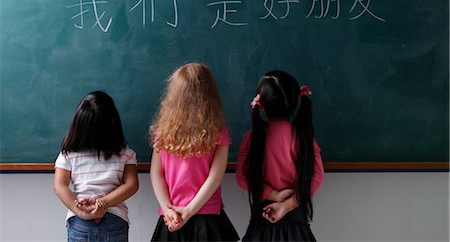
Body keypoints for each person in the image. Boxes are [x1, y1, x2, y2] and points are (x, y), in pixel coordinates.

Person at [149, 62, 239, 242]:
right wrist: (188, 211)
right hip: (207, 217)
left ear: (174, 96)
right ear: (210, 95)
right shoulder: (218, 131)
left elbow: (156, 173)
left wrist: (168, 210)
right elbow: (215, 178)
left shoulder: (163, 131)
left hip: (172, 217)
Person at [236, 70, 324, 241]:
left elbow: (241, 177)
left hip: (261, 225)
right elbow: (317, 178)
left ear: (261, 103)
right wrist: (287, 204)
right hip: (296, 225)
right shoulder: (303, 138)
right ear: (294, 101)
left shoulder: (252, 138)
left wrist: (273, 195)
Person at [53, 91, 139, 242]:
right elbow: (131, 185)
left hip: (81, 221)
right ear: (113, 123)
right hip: (114, 219)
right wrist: (103, 203)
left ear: (79, 126)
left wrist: (81, 212)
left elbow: (60, 185)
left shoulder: (68, 154)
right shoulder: (126, 153)